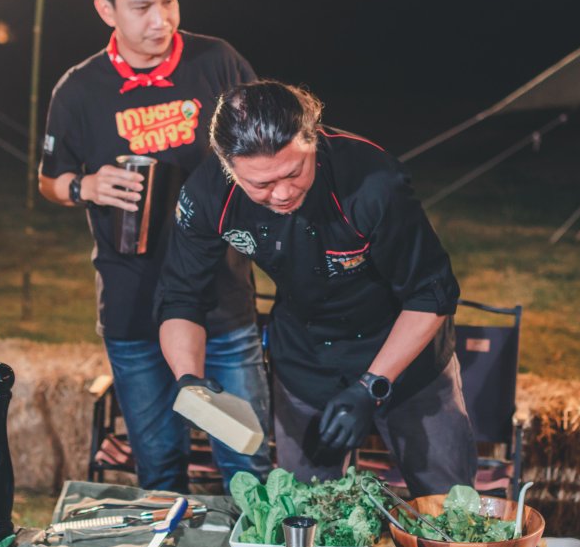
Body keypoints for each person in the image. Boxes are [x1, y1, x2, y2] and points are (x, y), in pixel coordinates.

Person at [157, 80, 477, 496]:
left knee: (450, 509)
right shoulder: (206, 196)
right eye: (261, 185)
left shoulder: (373, 181)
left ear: (312, 140)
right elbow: (180, 296)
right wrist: (188, 379)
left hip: (405, 355)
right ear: (228, 166)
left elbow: (431, 295)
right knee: (306, 510)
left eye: (294, 172)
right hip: (305, 362)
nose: (282, 193)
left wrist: (371, 386)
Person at [38, 0, 270, 493]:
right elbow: (49, 180)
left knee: (248, 463)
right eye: (142, 8)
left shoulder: (217, 62)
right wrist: (85, 187)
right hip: (133, 306)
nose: (160, 20)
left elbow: (268, 145)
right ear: (106, 9)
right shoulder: (80, 90)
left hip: (220, 302)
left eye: (169, 2)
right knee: (160, 467)